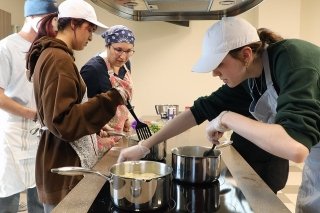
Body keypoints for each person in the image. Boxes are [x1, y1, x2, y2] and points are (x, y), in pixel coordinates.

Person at [118, 17, 320, 212]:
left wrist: (226, 118)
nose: (214, 73)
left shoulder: (292, 59)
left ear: (246, 55)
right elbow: (200, 110)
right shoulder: (249, 76)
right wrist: (144, 146)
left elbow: (296, 148)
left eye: (219, 64)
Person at [25, 0, 131, 212]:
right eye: (89, 29)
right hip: (63, 162)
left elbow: (62, 112)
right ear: (73, 24)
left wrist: (94, 126)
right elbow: (64, 121)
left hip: (58, 157)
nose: (91, 37)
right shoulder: (58, 58)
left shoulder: (53, 55)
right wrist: (110, 98)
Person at [0, 0, 58, 212]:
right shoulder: (6, 47)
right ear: (30, 17)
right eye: (48, 19)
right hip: (12, 134)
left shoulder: (45, 48)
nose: (52, 26)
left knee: (38, 194)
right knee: (8, 198)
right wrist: (32, 114)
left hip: (40, 132)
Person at [80, 25, 135, 157]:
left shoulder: (125, 65)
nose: (123, 56)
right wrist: (97, 127)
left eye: (128, 51)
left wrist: (125, 118)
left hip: (119, 134)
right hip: (99, 137)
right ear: (108, 45)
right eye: (118, 50)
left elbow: (121, 99)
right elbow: (83, 109)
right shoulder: (92, 69)